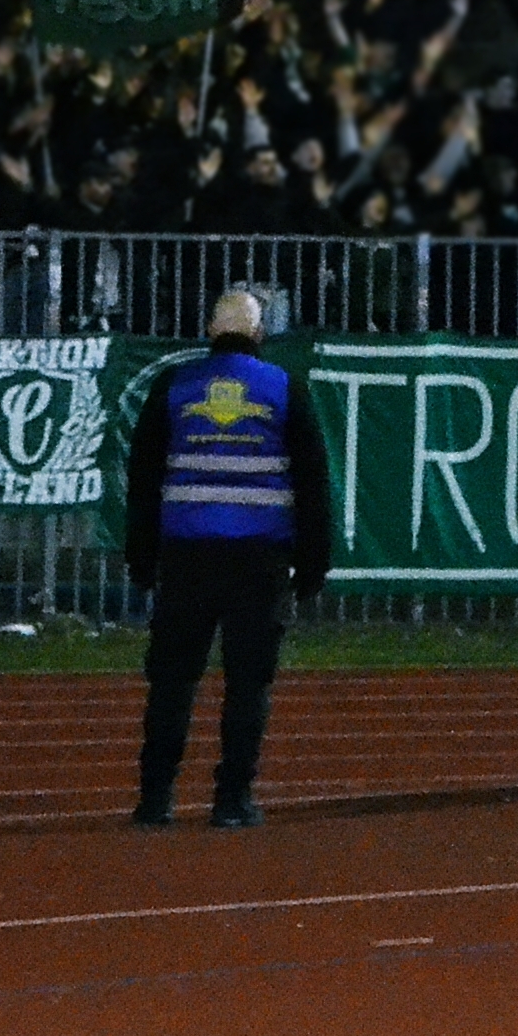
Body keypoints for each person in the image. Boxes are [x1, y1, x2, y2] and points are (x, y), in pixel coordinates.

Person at [121, 286, 333, 828]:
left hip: (186, 558)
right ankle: (232, 800)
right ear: (260, 335)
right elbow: (312, 483)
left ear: (210, 332)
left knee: (171, 681)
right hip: (258, 561)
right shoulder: (285, 388)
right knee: (247, 684)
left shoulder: (173, 386)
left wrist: (142, 557)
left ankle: (155, 799)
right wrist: (312, 564)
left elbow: (143, 479)